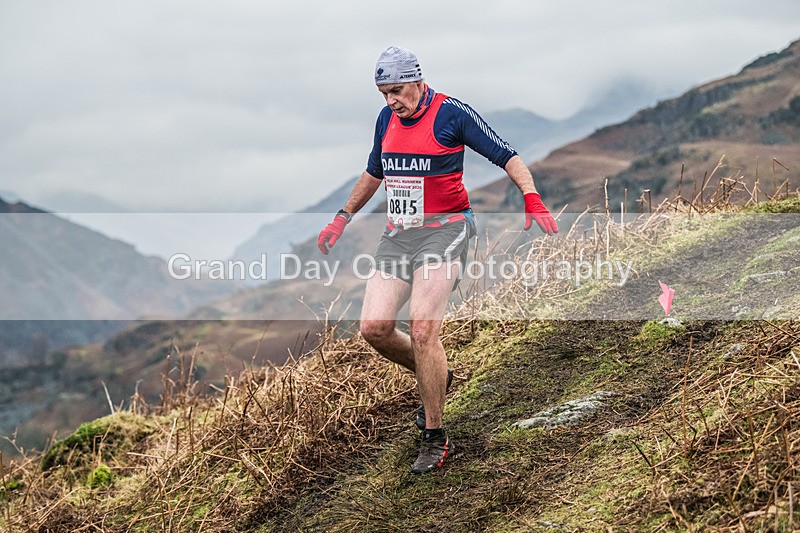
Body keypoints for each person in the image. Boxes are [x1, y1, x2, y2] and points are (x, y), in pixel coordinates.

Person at [317, 46, 558, 474]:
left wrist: (532, 196)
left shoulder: (451, 113)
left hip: (447, 229)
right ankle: (436, 374)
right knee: (374, 328)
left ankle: (434, 435)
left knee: (423, 329)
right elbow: (374, 171)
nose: (391, 100)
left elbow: (508, 155)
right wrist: (343, 216)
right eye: (383, 93)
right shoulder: (386, 119)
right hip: (400, 234)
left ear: (417, 80)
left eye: (397, 90)